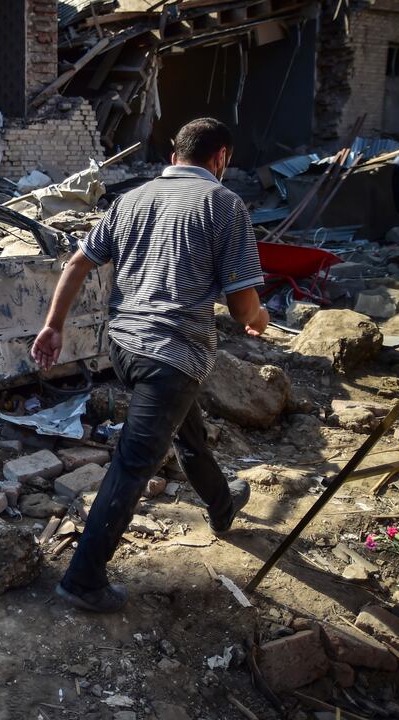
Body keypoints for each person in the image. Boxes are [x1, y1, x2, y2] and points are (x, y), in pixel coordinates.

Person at [31, 117, 268, 613]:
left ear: (174, 156)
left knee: (187, 431)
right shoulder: (225, 204)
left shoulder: (132, 199)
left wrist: (53, 326)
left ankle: (222, 506)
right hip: (171, 355)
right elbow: (243, 306)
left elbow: (77, 263)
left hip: (125, 348)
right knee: (133, 463)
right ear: (221, 158)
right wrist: (258, 316)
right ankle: (82, 579)